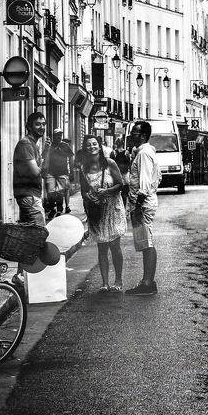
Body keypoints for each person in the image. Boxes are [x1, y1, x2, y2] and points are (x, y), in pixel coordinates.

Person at [76, 134, 126, 293]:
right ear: (85, 148)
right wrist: (88, 197)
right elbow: (83, 191)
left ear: (99, 146)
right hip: (97, 211)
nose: (92, 147)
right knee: (102, 247)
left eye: (94, 144)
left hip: (112, 208)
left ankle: (118, 280)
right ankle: (105, 283)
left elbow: (120, 184)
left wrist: (107, 191)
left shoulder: (110, 163)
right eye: (88, 145)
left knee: (114, 246)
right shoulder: (83, 168)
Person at [126, 120, 161, 297]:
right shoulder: (144, 152)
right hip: (144, 202)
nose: (131, 136)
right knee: (145, 241)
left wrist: (138, 206)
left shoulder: (144, 154)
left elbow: (145, 183)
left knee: (147, 242)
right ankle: (148, 281)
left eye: (134, 133)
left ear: (143, 136)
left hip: (143, 203)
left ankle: (147, 283)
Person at [13, 112, 46, 228]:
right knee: (40, 231)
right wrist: (45, 159)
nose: (41, 127)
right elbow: (36, 172)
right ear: (29, 127)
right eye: (37, 124)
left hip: (31, 195)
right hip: (29, 196)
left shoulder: (33, 145)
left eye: (43, 124)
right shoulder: (26, 144)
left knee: (30, 233)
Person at [42, 128, 74, 220]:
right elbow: (43, 156)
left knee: (60, 192)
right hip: (50, 172)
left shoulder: (65, 146)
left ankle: (59, 209)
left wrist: (72, 171)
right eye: (57, 135)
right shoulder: (49, 145)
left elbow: (71, 158)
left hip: (62, 172)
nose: (59, 137)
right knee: (51, 192)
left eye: (60, 135)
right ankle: (52, 209)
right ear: (53, 136)